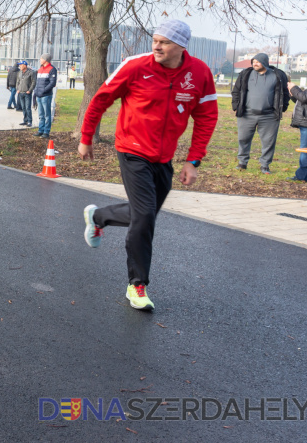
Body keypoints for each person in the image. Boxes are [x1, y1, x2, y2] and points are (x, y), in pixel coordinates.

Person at [78, 19, 218, 311]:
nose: (157, 46)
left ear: (181, 46)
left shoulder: (199, 73)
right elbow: (101, 99)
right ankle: (137, 285)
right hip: (132, 149)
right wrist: (86, 137)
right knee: (145, 219)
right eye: (155, 40)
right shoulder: (135, 66)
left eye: (164, 42)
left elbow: (206, 117)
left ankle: (99, 217)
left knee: (146, 214)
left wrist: (193, 160)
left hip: (163, 157)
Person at [231, 52, 290, 173]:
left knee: (269, 141)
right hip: (247, 114)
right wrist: (236, 106)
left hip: (269, 116)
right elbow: (236, 91)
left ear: (265, 62)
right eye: (253, 62)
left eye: (257, 61)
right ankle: (242, 162)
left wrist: (282, 108)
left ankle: (265, 165)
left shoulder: (277, 75)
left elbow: (285, 92)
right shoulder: (245, 74)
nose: (255, 64)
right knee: (243, 139)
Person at [33, 53, 58, 138]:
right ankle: (40, 130)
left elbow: (52, 83)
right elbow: (37, 82)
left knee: (47, 115)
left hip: (46, 95)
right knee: (41, 114)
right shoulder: (40, 69)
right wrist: (35, 92)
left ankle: (46, 132)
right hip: (39, 95)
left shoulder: (52, 69)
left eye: (41, 58)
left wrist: (43, 91)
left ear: (45, 60)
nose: (40, 60)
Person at [16, 61, 36, 127]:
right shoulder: (19, 72)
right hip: (20, 93)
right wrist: (17, 89)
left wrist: (30, 90)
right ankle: (25, 120)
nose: (20, 66)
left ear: (25, 65)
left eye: (21, 65)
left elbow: (34, 82)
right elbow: (17, 82)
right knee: (23, 107)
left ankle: (29, 121)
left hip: (27, 93)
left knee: (28, 108)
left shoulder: (31, 72)